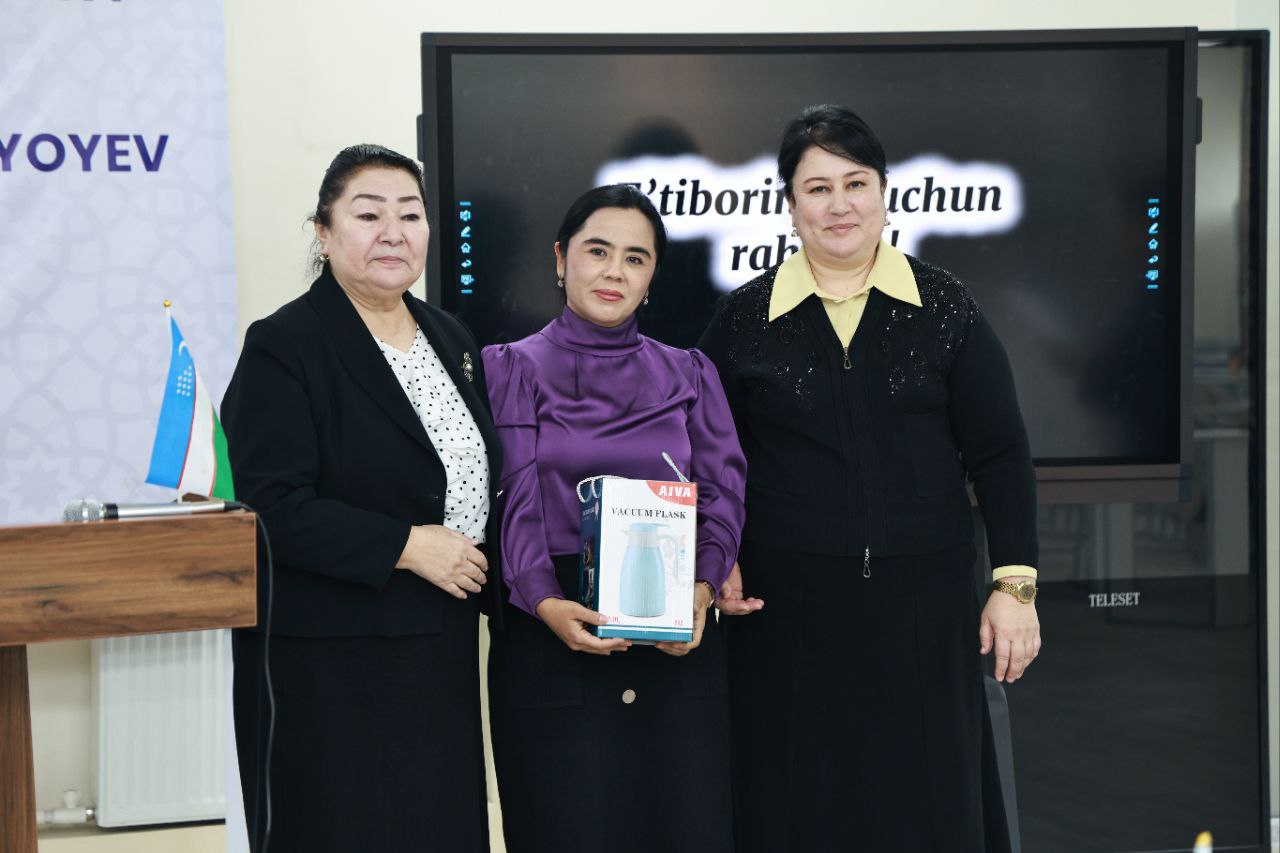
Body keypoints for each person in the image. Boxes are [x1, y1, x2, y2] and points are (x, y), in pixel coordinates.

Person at [698, 105, 1042, 852]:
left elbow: (1001, 452)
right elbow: (705, 455)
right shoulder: (743, 319)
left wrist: (1015, 586)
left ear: (884, 192)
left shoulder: (945, 307)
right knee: (796, 805)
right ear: (790, 204)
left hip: (925, 606)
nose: (839, 204)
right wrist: (715, 555)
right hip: (785, 614)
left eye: (855, 183)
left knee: (927, 805)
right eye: (817, 187)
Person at [221, 144, 499, 852]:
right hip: (331, 659)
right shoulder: (284, 344)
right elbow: (270, 507)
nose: (393, 233)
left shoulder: (450, 335)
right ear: (324, 232)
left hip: (438, 644)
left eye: (410, 215)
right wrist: (406, 545)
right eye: (368, 215)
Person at [482, 184, 747, 853]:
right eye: (597, 251)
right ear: (560, 258)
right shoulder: (511, 367)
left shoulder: (690, 372)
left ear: (652, 274)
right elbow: (512, 497)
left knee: (683, 827)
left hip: (675, 635)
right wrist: (543, 600)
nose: (614, 272)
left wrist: (703, 588)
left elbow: (723, 491)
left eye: (635, 258)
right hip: (554, 630)